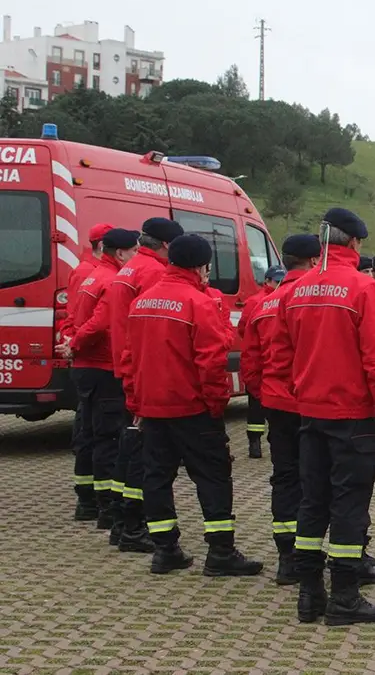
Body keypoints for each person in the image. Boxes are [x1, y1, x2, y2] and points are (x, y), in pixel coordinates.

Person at [271, 207, 375, 626]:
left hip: (309, 416)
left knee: (312, 503)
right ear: (354, 243)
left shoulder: (294, 291)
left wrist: (304, 392)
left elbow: (281, 357)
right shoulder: (364, 290)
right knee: (349, 508)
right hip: (351, 418)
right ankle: (345, 596)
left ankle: (309, 594)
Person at [127, 234, 263, 577]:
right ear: (202, 267)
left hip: (153, 408)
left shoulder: (141, 302)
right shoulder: (198, 303)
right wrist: (216, 405)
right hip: (193, 409)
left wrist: (136, 402)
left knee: (156, 477)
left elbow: (129, 359)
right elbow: (211, 364)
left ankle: (165, 550)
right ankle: (220, 552)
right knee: (214, 477)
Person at [241, 234, 320, 585]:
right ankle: (323, 554)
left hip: (276, 402)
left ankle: (287, 558)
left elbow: (250, 362)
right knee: (319, 479)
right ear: (314, 261)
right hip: (311, 403)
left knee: (285, 478)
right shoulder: (313, 299)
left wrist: (265, 394)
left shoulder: (264, 304)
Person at [62, 228, 139, 527]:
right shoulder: (110, 280)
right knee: (107, 437)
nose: (135, 257)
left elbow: (72, 317)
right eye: (133, 251)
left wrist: (70, 341)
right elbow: (99, 323)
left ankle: (86, 500)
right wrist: (76, 343)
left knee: (88, 434)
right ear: (120, 253)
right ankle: (106, 507)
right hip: (103, 366)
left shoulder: (91, 277)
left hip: (84, 367)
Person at [239, 266, 285, 459]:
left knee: (257, 407)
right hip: (263, 365)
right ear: (266, 281)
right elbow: (244, 330)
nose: (279, 284)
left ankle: (256, 442)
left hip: (264, 364)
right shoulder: (257, 302)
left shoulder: (260, 302)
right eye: (276, 281)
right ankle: (255, 442)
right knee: (256, 409)